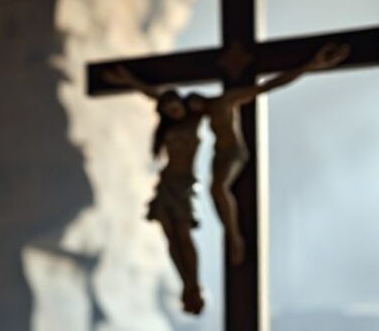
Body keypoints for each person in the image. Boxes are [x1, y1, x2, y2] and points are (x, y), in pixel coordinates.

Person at [186, 43, 350, 264]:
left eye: (194, 104)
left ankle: (234, 237)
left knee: (218, 188)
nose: (194, 110)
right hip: (219, 155)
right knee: (215, 191)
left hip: (233, 152)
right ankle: (231, 233)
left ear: (200, 99)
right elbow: (160, 99)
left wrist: (310, 66)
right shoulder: (201, 113)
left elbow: (267, 86)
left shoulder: (225, 101)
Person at [103, 70, 206, 314]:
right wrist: (128, 80)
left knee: (183, 231)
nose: (174, 112)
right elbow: (155, 96)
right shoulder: (167, 128)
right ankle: (185, 283)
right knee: (170, 234)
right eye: (168, 110)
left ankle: (193, 283)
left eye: (175, 107)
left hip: (185, 183)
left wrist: (131, 80)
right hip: (167, 182)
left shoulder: (195, 118)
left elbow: (155, 93)